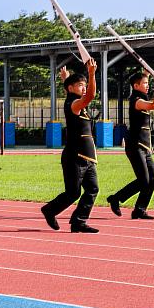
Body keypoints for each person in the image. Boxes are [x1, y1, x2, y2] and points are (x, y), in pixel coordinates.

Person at [41, 59, 100, 233]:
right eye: (81, 85)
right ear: (71, 89)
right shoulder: (73, 105)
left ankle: (79, 221)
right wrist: (91, 73)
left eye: (84, 85)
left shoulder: (75, 101)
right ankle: (49, 210)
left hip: (88, 157)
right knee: (73, 193)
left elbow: (79, 93)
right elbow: (90, 96)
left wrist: (66, 79)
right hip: (75, 157)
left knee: (92, 189)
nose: (84, 88)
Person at [106, 72, 154, 220]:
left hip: (144, 146)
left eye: (148, 83)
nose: (147, 85)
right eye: (145, 83)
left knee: (153, 178)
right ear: (135, 86)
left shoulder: (141, 97)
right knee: (144, 180)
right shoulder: (136, 100)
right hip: (135, 145)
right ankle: (116, 198)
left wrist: (146, 74)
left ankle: (139, 209)